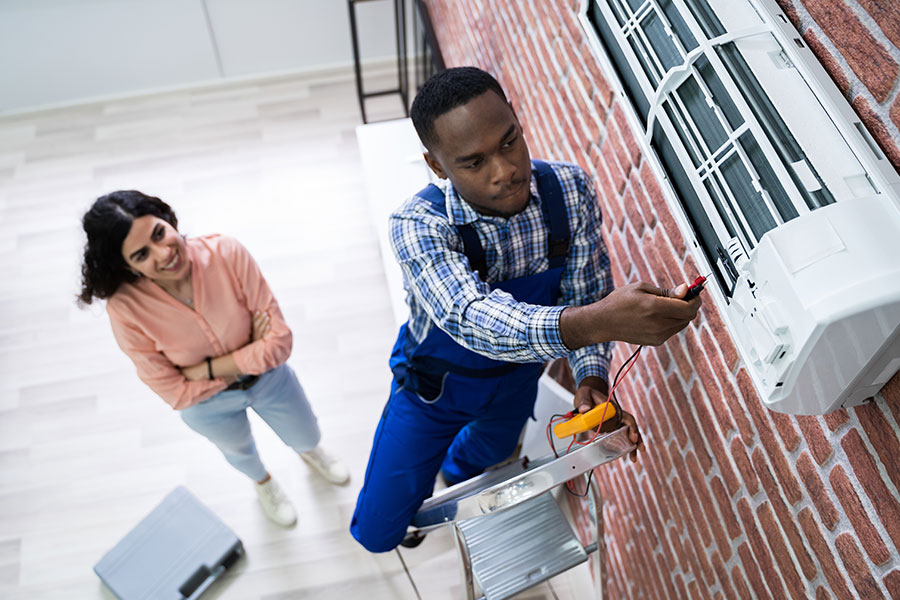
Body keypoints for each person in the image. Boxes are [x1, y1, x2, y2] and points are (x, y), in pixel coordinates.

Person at [350, 67, 701, 552]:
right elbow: (473, 319)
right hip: (433, 393)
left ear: (516, 117)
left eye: (509, 141)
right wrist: (600, 318)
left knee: (480, 459)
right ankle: (411, 500)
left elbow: (584, 291)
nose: (505, 170)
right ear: (436, 165)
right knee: (377, 534)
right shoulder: (418, 225)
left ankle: (454, 471)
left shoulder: (569, 191)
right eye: (473, 163)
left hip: (517, 384)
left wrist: (592, 383)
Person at [78, 191, 350, 527]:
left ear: (168, 218)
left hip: (270, 379)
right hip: (208, 406)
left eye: (159, 233)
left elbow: (279, 344)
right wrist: (251, 347)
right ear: (126, 266)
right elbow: (175, 392)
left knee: (307, 433)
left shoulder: (226, 253)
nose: (164, 254)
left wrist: (201, 370)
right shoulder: (125, 309)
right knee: (241, 454)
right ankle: (263, 483)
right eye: (141, 254)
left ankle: (310, 453)